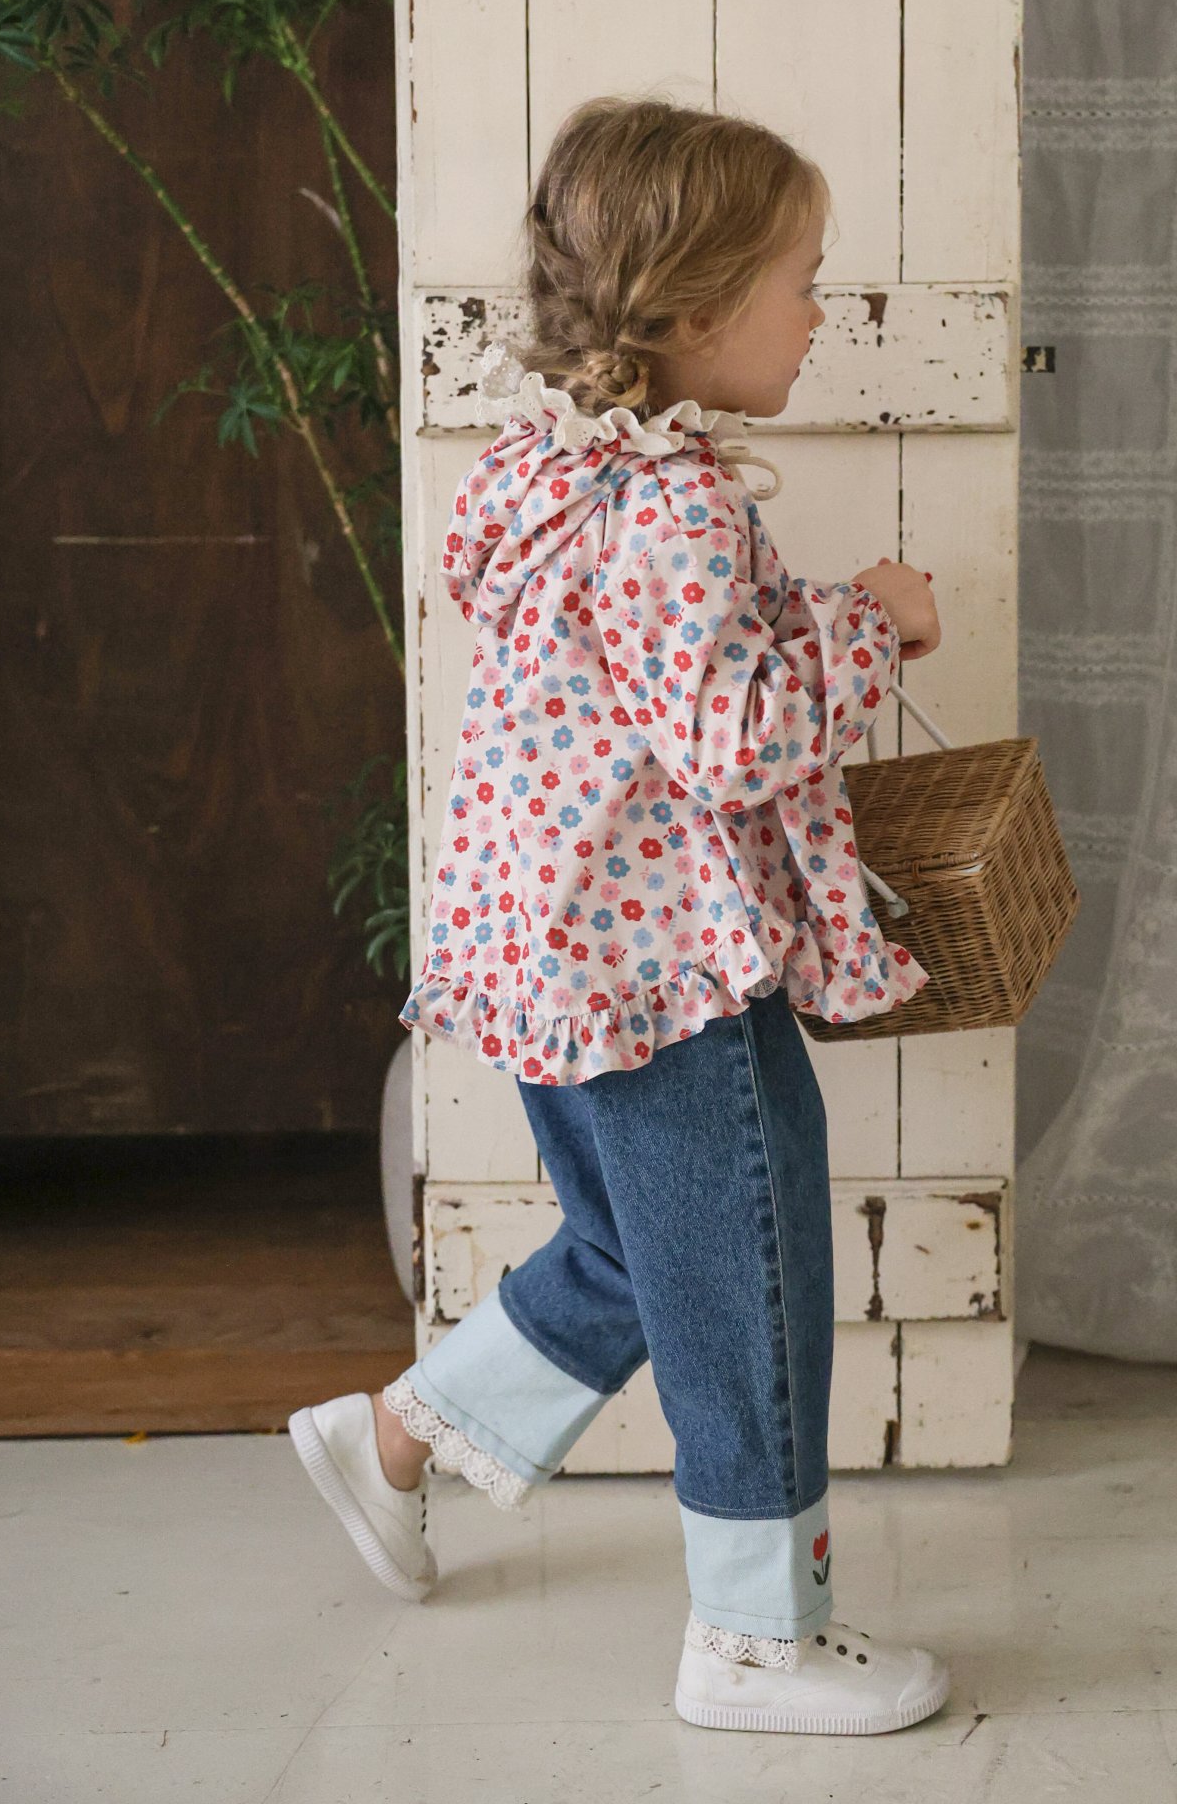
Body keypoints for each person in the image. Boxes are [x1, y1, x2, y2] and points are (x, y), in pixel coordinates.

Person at [288, 96, 948, 1735]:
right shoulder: (674, 506)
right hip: (664, 976)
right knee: (753, 1282)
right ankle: (756, 1642)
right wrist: (868, 631)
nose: (820, 312)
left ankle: (394, 1440)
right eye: (802, 280)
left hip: (557, 961)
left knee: (642, 1258)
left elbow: (649, 672)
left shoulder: (554, 475)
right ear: (697, 310)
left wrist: (815, 614)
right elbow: (730, 735)